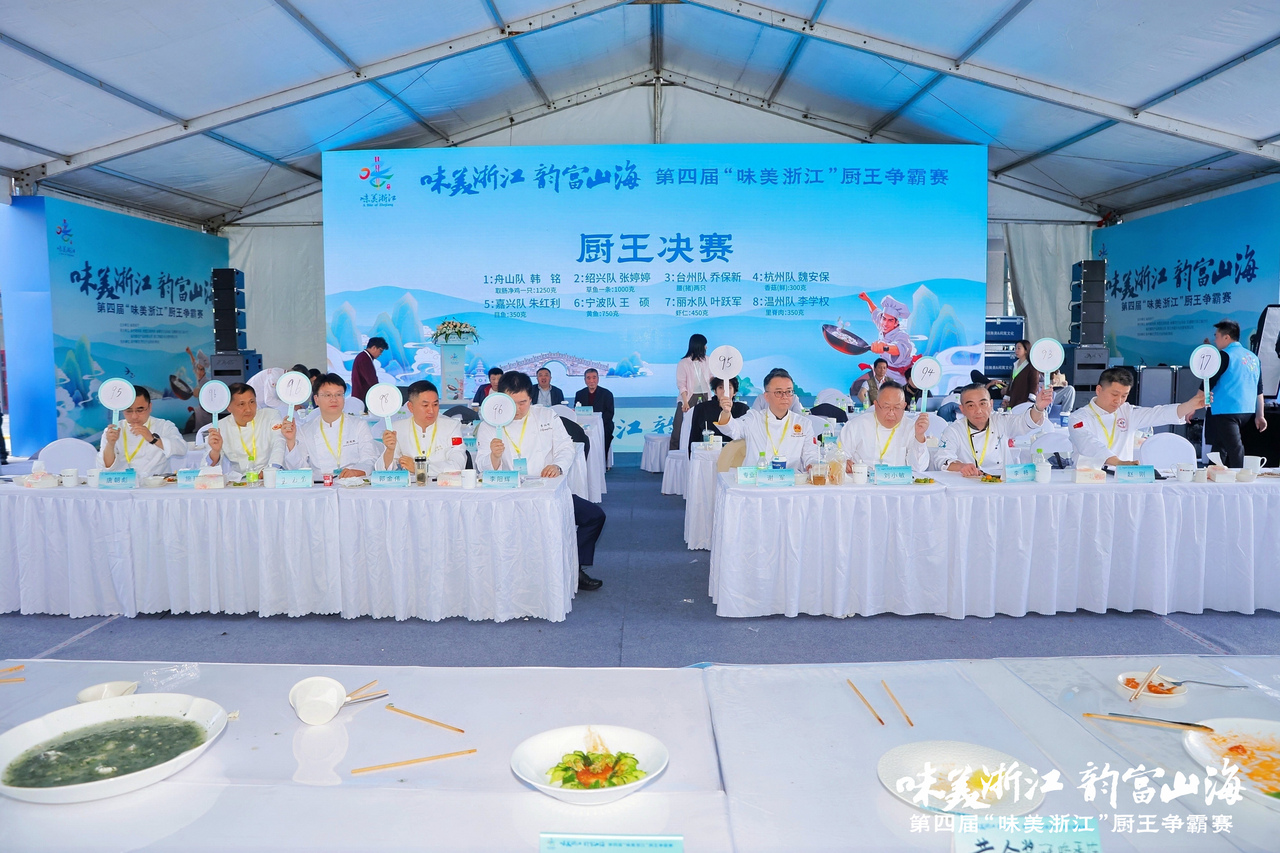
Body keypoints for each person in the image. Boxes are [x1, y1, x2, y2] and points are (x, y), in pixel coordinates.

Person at [476, 371, 606, 591]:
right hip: (508, 496)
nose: (518, 409)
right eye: (512, 403)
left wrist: (557, 466)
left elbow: (566, 447)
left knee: (594, 516)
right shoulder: (490, 424)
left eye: (523, 402)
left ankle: (574, 568)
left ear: (531, 398)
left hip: (546, 491)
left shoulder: (546, 416)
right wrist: (494, 457)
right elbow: (482, 465)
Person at [1068, 367, 1205, 465]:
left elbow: (1158, 414)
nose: (1119, 401)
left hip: (1122, 477)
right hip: (1088, 479)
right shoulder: (1078, 418)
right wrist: (1119, 462)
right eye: (1114, 394)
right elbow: (1089, 445)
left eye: (1124, 396)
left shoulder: (1127, 411)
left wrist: (1190, 405)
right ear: (1099, 390)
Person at [935, 383, 1054, 476]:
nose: (978, 410)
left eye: (983, 404)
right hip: (969, 485)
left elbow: (1025, 422)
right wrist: (961, 467)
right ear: (962, 409)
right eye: (971, 405)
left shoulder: (1001, 421)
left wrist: (1038, 407)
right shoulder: (954, 430)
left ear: (991, 404)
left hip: (1002, 484)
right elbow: (941, 459)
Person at [717, 368, 819, 470]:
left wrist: (813, 466)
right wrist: (726, 412)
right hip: (756, 478)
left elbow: (810, 455)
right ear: (766, 396)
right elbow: (732, 429)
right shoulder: (754, 418)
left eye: (789, 391)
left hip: (791, 479)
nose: (785, 396)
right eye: (778, 392)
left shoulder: (803, 423)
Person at [282, 373, 378, 477]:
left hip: (353, 482)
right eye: (328, 395)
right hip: (319, 483)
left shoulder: (359, 425)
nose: (334, 399)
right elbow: (299, 469)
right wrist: (290, 441)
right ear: (316, 399)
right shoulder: (306, 430)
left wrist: (356, 472)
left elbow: (370, 458)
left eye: (338, 394)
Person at [1206, 319, 1267, 468]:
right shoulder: (1253, 358)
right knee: (1219, 446)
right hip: (1247, 411)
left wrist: (1193, 406)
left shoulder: (1224, 355)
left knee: (1235, 449)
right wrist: (1260, 415)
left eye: (1217, 336)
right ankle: (1211, 474)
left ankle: (1239, 479)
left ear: (1226, 337)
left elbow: (1208, 382)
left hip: (1226, 410)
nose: (1215, 340)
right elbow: (1259, 389)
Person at [377, 380, 466, 476]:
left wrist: (419, 468)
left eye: (435, 405)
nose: (431, 410)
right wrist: (389, 451)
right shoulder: (397, 428)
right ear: (411, 407)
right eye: (425, 405)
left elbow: (458, 465)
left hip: (442, 484)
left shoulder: (451, 426)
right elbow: (383, 471)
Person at [839, 382, 930, 475]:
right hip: (863, 481)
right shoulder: (856, 425)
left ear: (904, 406)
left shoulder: (911, 427)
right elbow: (839, 454)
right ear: (876, 405)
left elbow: (919, 468)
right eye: (886, 407)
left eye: (897, 407)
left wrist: (919, 436)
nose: (891, 413)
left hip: (899, 482)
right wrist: (843, 462)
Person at [99, 387, 188, 477]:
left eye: (140, 410)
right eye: (129, 411)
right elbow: (107, 466)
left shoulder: (164, 426)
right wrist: (110, 444)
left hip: (158, 482)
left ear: (150, 407)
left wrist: (153, 439)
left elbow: (182, 449)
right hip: (124, 482)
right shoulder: (113, 431)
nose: (134, 416)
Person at [203, 383, 285, 474]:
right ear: (229, 407)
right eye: (241, 404)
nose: (248, 409)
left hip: (271, 474)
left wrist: (271, 469)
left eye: (252, 402)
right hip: (240, 479)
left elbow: (279, 443)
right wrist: (215, 451)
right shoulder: (219, 427)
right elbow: (206, 466)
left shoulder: (271, 416)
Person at [859, 292, 914, 382]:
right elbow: (875, 311)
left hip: (899, 378)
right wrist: (867, 300)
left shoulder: (902, 335)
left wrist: (884, 347)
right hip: (883, 371)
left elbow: (899, 349)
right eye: (884, 318)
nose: (885, 323)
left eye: (890, 320)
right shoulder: (882, 325)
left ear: (896, 323)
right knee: (857, 385)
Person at [689, 376, 748, 454]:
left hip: (735, 455)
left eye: (729, 388)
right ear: (715, 391)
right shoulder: (701, 408)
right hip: (707, 454)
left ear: (735, 392)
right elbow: (694, 436)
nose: (724, 391)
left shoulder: (743, 409)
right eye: (720, 387)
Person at [672, 333, 711, 450]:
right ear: (698, 345)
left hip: (705, 396)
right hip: (688, 397)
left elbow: (711, 377)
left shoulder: (708, 360)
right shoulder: (683, 363)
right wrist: (685, 402)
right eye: (704, 345)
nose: (706, 347)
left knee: (704, 427)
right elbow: (681, 384)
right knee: (679, 427)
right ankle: (675, 454)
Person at [573, 368, 615, 457]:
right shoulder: (579, 394)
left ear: (598, 379)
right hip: (584, 426)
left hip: (603, 425)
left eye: (594, 377)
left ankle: (602, 461)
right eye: (588, 378)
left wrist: (596, 423)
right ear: (585, 380)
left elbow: (610, 413)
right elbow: (577, 411)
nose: (591, 381)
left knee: (605, 435)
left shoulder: (607, 394)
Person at [349, 337, 387, 408]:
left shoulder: (363, 357)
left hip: (361, 396)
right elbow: (371, 379)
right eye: (380, 350)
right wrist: (379, 393)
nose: (380, 354)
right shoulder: (364, 359)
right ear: (374, 348)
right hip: (362, 397)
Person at [1003, 340, 1041, 409]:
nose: (1016, 351)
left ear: (1026, 350)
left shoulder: (1031, 366)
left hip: (1024, 400)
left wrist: (1030, 399)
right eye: (1015, 348)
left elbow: (1034, 384)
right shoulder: (1015, 365)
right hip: (1014, 399)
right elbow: (1011, 383)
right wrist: (1007, 397)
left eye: (1019, 348)